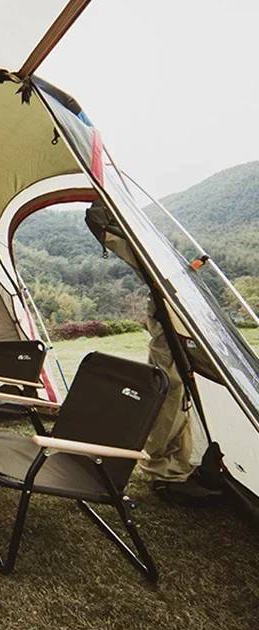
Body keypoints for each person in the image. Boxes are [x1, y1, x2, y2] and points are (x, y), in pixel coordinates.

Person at [84, 200, 224, 505]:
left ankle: (177, 468)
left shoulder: (150, 243)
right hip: (167, 327)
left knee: (178, 397)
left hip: (175, 324)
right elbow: (99, 220)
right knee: (170, 394)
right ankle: (165, 474)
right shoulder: (129, 236)